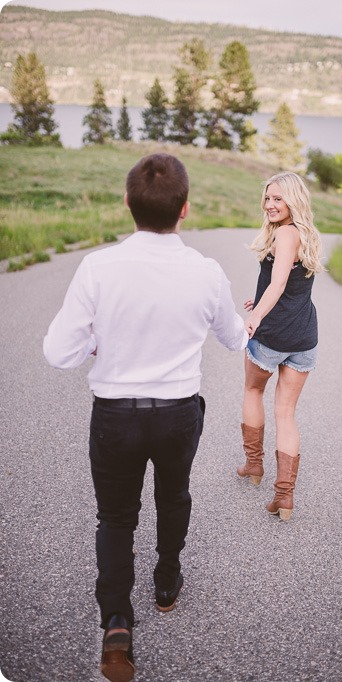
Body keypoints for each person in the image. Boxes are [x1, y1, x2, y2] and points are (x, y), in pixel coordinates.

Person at [43, 153, 248, 682]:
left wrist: (95, 340)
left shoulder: (98, 267)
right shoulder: (205, 272)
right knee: (173, 494)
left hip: (115, 415)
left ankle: (116, 622)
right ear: (185, 210)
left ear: (128, 203)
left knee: (115, 517)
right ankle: (166, 581)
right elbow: (233, 339)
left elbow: (58, 352)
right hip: (179, 412)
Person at [238, 171, 324, 521]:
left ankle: (254, 466)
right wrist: (256, 300)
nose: (271, 205)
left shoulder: (285, 234)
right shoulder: (304, 233)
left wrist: (256, 316)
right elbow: (288, 286)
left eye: (278, 199)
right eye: (268, 198)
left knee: (252, 391)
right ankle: (284, 496)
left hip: (273, 335)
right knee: (286, 413)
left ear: (293, 201)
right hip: (303, 336)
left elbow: (277, 284)